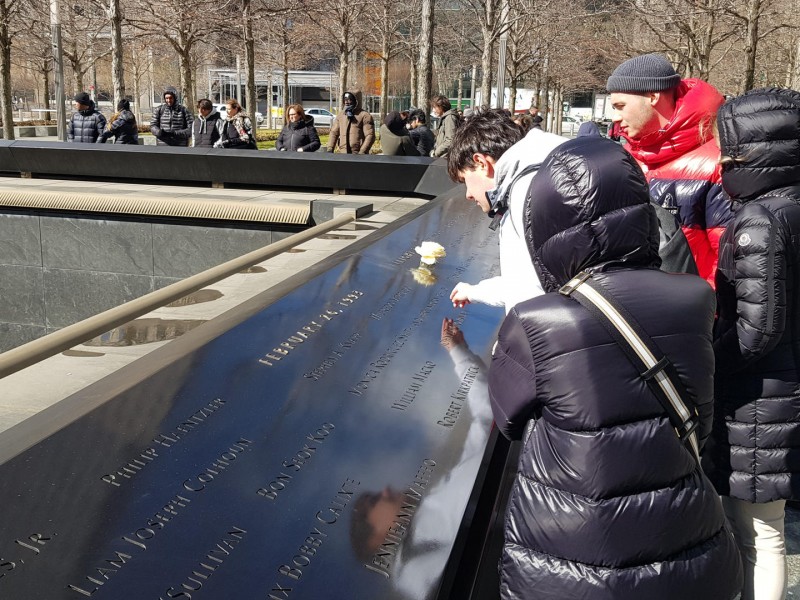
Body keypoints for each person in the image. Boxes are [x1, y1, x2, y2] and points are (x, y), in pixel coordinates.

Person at [488, 135, 742, 600]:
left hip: (569, 555)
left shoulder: (535, 321)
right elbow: (699, 418)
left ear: (546, 222)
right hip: (686, 539)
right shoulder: (695, 298)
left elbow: (507, 420)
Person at [702, 87, 800, 600]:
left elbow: (756, 330)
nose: (722, 161)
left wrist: (706, 364)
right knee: (769, 530)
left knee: (757, 535)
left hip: (759, 399)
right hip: (786, 387)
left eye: (729, 149)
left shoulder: (761, 219)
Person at [607, 53, 731, 285]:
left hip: (693, 313)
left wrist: (704, 314)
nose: (615, 117)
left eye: (620, 106)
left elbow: (728, 262)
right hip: (639, 306)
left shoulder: (716, 162)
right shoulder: (626, 157)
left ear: (653, 96)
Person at [447, 107, 567, 313]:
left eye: (465, 180)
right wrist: (475, 292)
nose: (468, 194)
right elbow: (531, 279)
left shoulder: (524, 200)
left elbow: (528, 301)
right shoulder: (549, 172)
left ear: (481, 163)